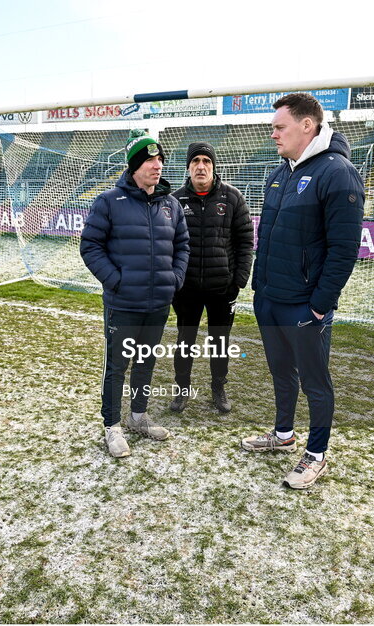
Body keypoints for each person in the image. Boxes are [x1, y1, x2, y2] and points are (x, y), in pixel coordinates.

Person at [241, 93, 364, 489]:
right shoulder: (280, 172)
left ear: (306, 126)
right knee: (281, 372)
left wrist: (319, 305)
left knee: (315, 381)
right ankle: (283, 435)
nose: (273, 133)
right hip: (270, 298)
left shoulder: (338, 172)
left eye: (280, 127)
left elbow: (344, 250)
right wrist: (259, 289)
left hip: (304, 305)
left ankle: (316, 453)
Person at [80, 129, 190, 458]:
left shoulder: (170, 204)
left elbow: (182, 245)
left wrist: (175, 279)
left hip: (158, 303)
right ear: (134, 166)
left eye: (160, 160)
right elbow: (90, 246)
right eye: (150, 160)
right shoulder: (110, 202)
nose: (157, 166)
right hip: (123, 304)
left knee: (145, 362)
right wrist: (116, 280)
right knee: (117, 366)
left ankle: (138, 416)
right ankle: (112, 426)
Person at [169, 142, 253, 414]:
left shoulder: (233, 198)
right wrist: (174, 279)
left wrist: (238, 281)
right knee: (185, 340)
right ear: (188, 167)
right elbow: (165, 243)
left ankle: (218, 388)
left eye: (206, 160)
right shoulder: (174, 200)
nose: (201, 166)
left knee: (219, 343)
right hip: (187, 289)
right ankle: (182, 389)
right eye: (196, 161)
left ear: (214, 166)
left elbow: (245, 241)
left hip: (222, 289)